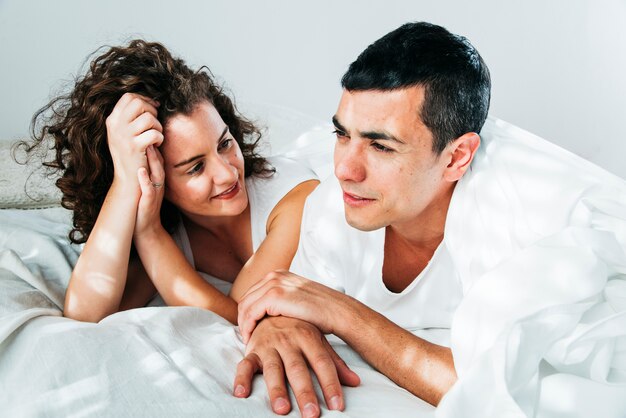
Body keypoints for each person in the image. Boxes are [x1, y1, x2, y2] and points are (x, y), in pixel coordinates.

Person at [234, 22, 626, 417]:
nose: (344, 169)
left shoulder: (520, 224)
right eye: (341, 135)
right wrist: (276, 324)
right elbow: (294, 299)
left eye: (381, 146)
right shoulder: (335, 208)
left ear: (457, 157)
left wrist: (343, 314)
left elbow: (495, 392)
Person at [24, 40, 319, 325]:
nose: (228, 174)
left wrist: (151, 234)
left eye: (225, 143)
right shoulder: (174, 233)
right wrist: (127, 182)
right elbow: (85, 315)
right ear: (156, 178)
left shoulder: (294, 196)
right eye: (196, 168)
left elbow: (242, 317)